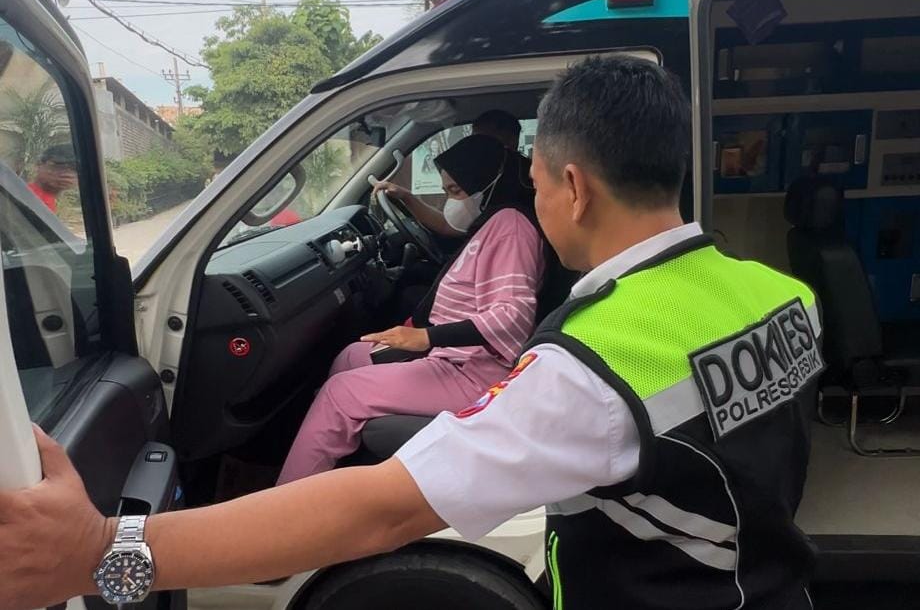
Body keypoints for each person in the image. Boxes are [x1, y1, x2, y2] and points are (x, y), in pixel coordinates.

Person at [0, 56, 824, 610]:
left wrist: (102, 550)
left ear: (573, 187)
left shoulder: (593, 367)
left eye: (536, 184)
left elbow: (380, 511)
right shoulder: (785, 298)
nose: (534, 201)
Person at [277, 133, 545, 483]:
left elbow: (514, 316)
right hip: (454, 356)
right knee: (351, 356)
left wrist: (427, 338)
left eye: (455, 191)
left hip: (474, 371)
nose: (451, 201)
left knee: (339, 394)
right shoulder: (492, 219)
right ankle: (332, 460)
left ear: (484, 181)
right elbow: (449, 229)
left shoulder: (511, 228)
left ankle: (288, 499)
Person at [376, 110, 530, 238]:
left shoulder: (525, 188)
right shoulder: (476, 191)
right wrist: (406, 196)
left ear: (512, 141)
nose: (475, 148)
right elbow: (448, 225)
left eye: (483, 142)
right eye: (473, 140)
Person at [27, 144, 77, 214]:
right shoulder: (28, 197)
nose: (67, 174)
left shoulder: (49, 201)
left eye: (74, 169)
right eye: (59, 166)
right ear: (39, 165)